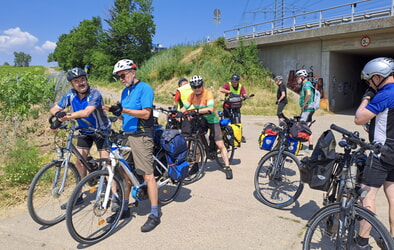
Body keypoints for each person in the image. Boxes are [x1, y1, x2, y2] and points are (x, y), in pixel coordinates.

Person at [103, 59, 160, 233]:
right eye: (118, 76)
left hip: (141, 136)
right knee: (124, 175)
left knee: (147, 175)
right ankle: (125, 209)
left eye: (123, 74)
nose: (121, 78)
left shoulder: (145, 88)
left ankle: (155, 214)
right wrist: (114, 111)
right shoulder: (124, 92)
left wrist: (124, 110)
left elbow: (145, 113)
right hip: (126, 136)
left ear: (133, 72)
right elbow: (124, 116)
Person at [49, 67, 111, 208]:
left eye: (82, 79)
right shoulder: (70, 94)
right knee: (80, 162)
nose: (80, 83)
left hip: (101, 130)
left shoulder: (95, 93)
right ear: (72, 84)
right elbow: (54, 108)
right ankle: (78, 195)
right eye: (76, 81)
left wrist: (64, 117)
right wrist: (57, 114)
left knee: (106, 163)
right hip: (84, 131)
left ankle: (113, 195)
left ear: (86, 80)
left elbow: (86, 112)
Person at [354, 57, 394, 248]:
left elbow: (359, 118)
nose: (369, 84)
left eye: (370, 81)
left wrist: (367, 96)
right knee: (393, 197)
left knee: (366, 196)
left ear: (378, 77)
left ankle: (362, 241)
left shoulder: (385, 94)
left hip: (381, 154)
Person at [181, 75, 233, 179]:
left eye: (199, 86)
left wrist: (196, 111)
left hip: (212, 120)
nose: (197, 89)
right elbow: (184, 107)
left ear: (202, 85)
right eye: (194, 87)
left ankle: (227, 167)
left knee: (219, 144)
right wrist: (178, 113)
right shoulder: (192, 96)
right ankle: (196, 165)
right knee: (198, 141)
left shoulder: (207, 94)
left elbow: (209, 108)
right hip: (201, 120)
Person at [219, 73, 247, 143]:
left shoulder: (240, 86)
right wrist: (228, 92)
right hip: (227, 106)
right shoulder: (228, 85)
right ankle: (225, 135)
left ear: (238, 81)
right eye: (233, 81)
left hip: (236, 106)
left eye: (235, 82)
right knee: (226, 121)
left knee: (237, 121)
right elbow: (221, 89)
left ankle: (238, 136)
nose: (234, 83)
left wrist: (243, 97)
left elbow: (245, 94)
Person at [296, 69, 314, 151]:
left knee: (302, 127)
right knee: (307, 127)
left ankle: (300, 145)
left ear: (302, 77)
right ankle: (310, 146)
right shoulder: (306, 84)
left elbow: (309, 93)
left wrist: (304, 104)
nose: (297, 79)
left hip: (307, 109)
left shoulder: (306, 84)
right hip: (309, 109)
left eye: (298, 77)